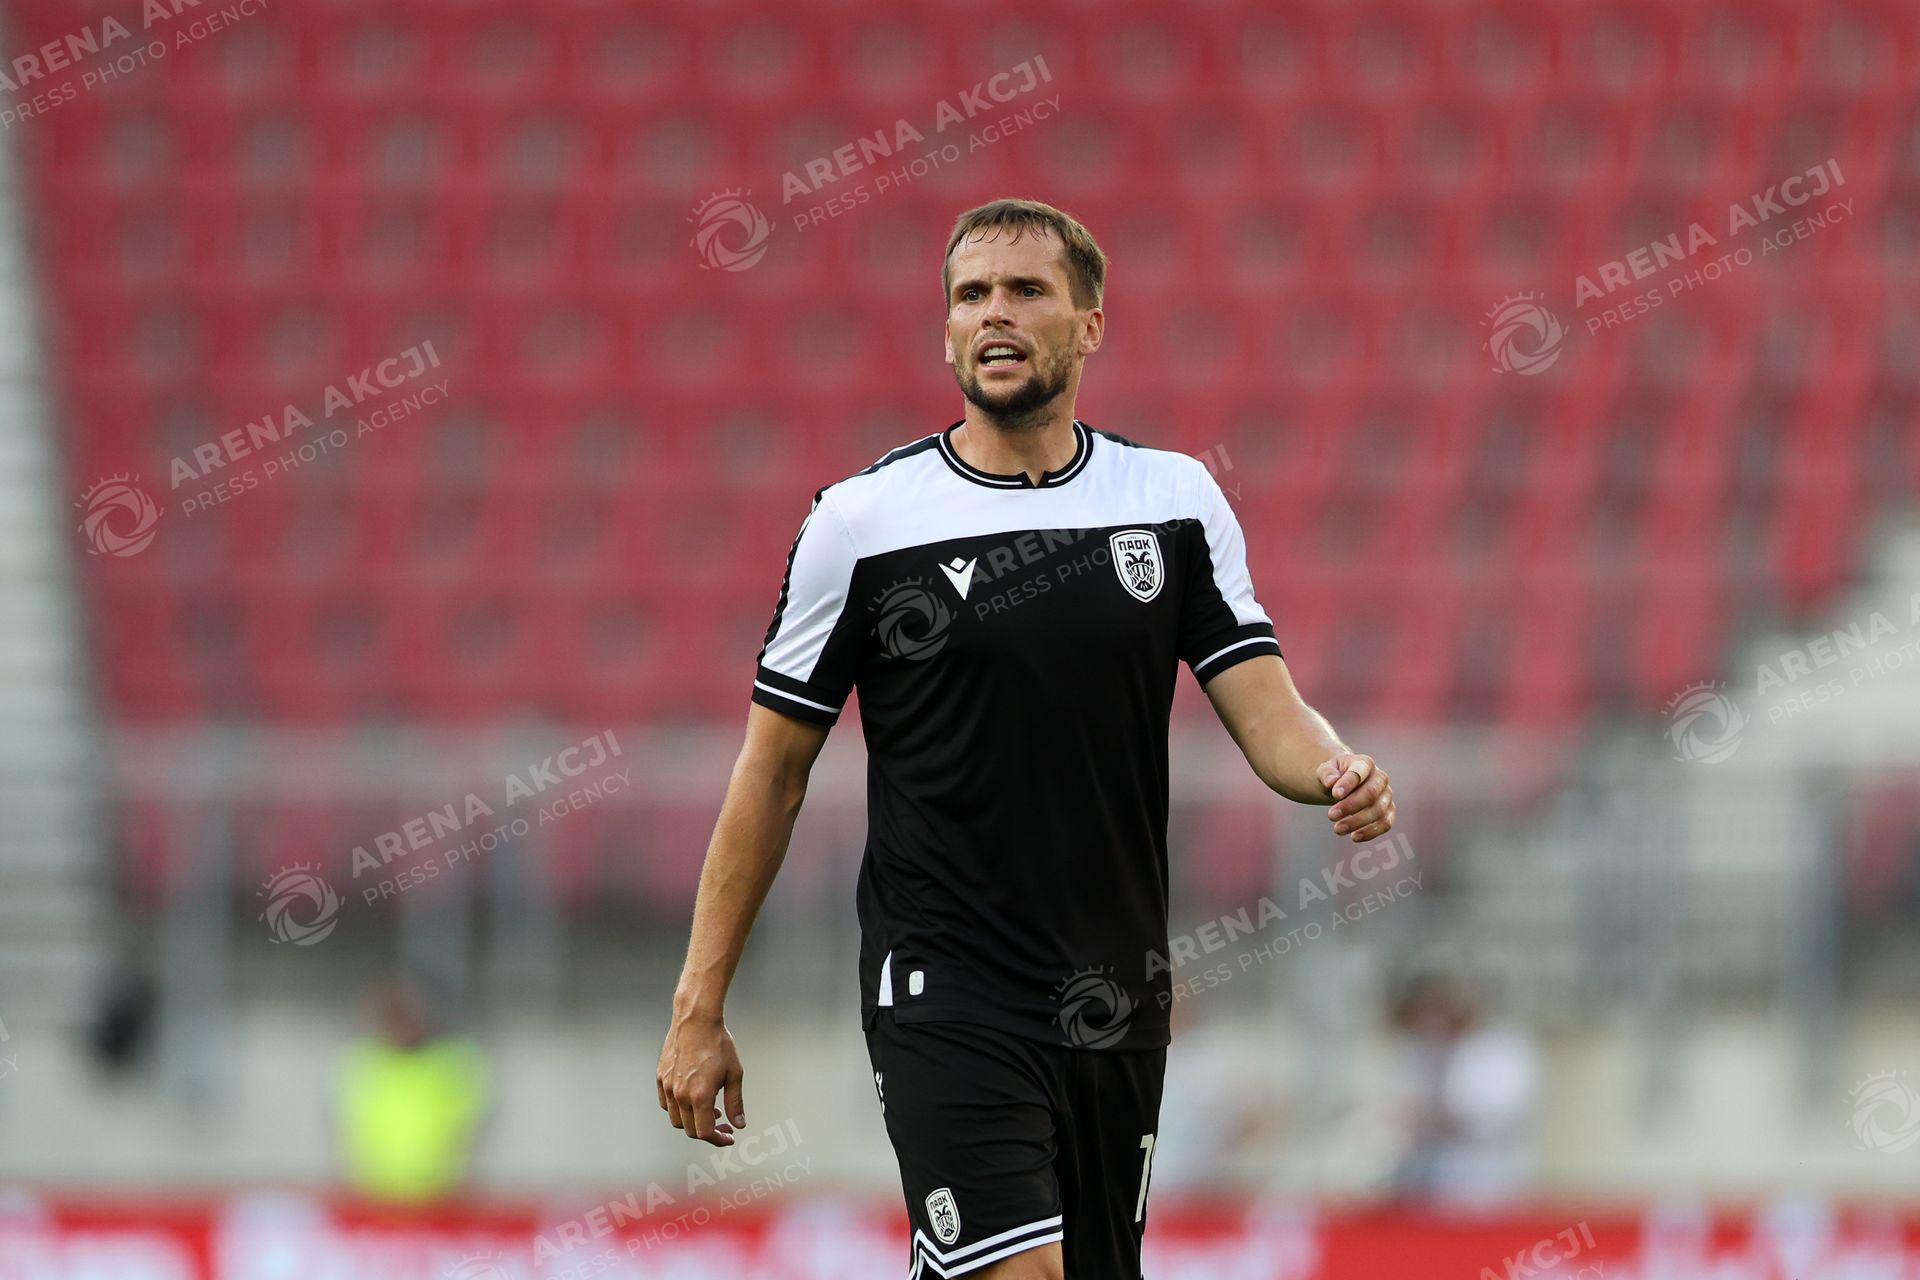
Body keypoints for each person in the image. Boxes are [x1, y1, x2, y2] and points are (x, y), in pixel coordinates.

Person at [657, 198, 1396, 1280]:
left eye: (1025, 290)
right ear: (948, 330)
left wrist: (1333, 767)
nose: (993, 313)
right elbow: (773, 771)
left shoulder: (1172, 500)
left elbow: (1266, 705)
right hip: (944, 982)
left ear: (1089, 324)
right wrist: (698, 1004)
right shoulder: (863, 524)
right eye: (971, 295)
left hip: (1118, 988)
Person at [334, 979, 490, 1206]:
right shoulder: (361, 1062)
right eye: (394, 1016)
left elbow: (470, 1129)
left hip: (442, 1198)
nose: (402, 1026)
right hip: (374, 1198)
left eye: (407, 1016)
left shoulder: (454, 1063)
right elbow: (347, 1129)